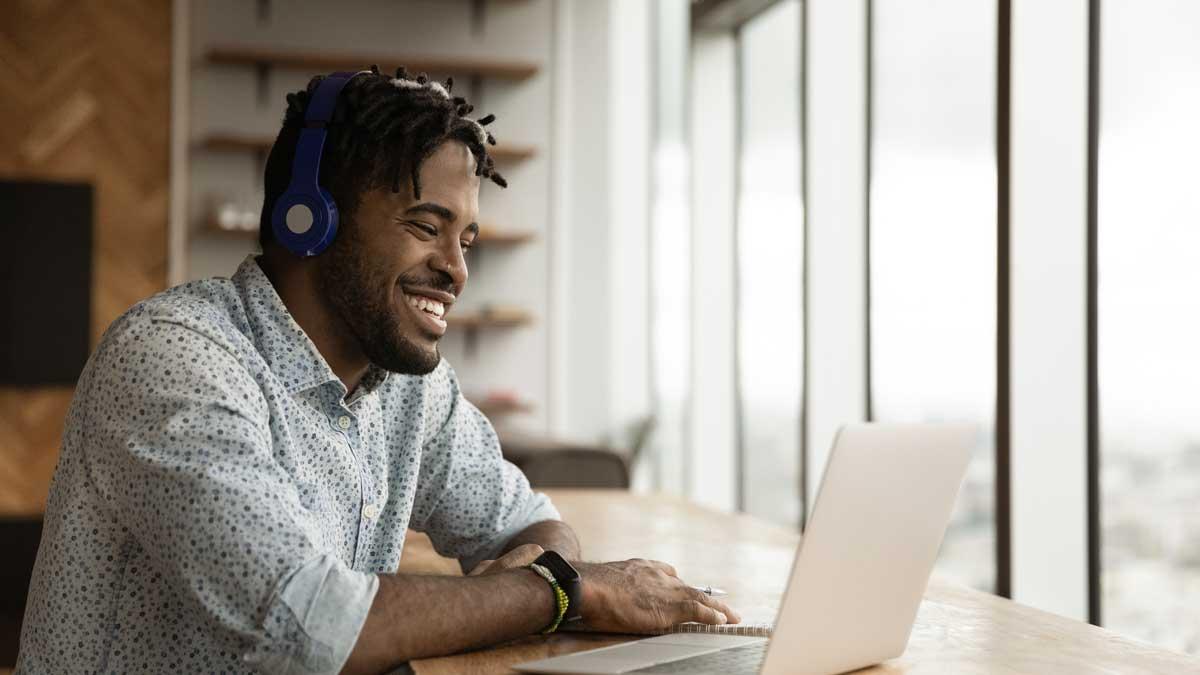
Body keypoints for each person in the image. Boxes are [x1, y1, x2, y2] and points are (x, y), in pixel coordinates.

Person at [15, 66, 739, 674]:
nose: (457, 269)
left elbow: (527, 520)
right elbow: (309, 627)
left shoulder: (408, 386)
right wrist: (562, 592)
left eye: (467, 237)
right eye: (425, 226)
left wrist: (535, 576)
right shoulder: (174, 357)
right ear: (310, 220)